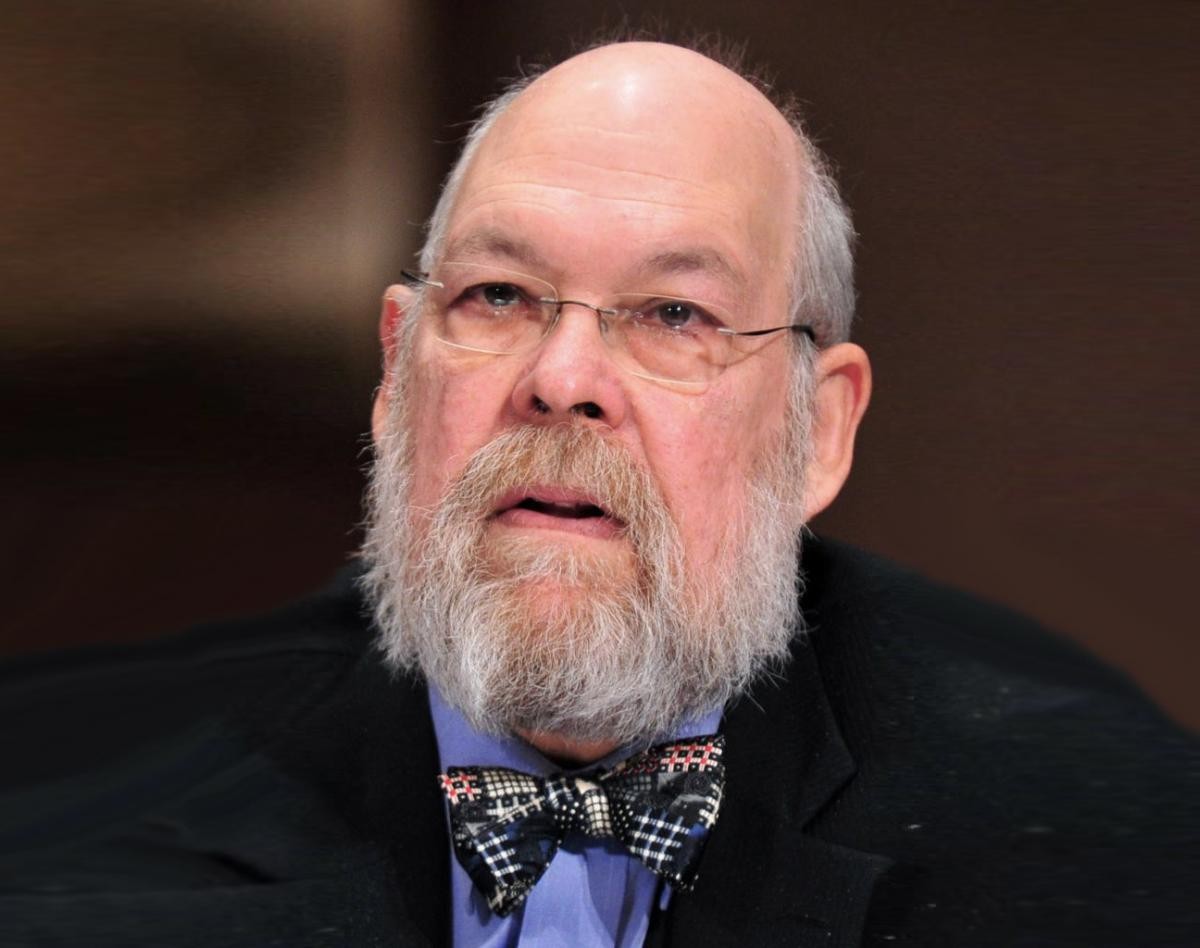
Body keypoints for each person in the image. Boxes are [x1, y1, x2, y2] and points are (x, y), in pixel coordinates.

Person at [1, 40, 1194, 948]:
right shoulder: (85, 840)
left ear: (818, 430)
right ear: (395, 377)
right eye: (500, 297)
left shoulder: (1099, 858)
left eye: (675, 314)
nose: (562, 381)